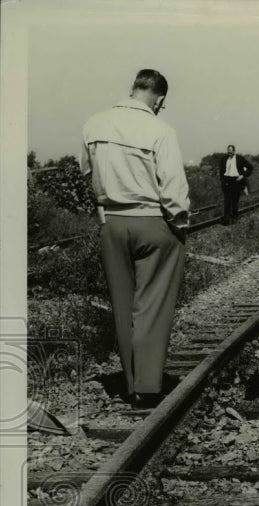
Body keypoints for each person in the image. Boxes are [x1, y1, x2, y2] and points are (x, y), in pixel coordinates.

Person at [81, 68, 190, 409]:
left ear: (134, 89)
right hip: (152, 220)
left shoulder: (94, 124)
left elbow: (87, 171)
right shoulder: (161, 130)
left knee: (123, 307)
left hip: (112, 223)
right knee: (152, 305)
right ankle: (147, 386)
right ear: (159, 99)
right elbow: (173, 188)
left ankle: (130, 384)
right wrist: (179, 225)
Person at [218, 145, 253, 223]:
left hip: (236, 181)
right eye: (228, 151)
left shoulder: (240, 159)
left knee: (234, 201)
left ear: (234, 151)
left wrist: (242, 176)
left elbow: (250, 167)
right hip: (226, 181)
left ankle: (234, 219)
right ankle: (227, 220)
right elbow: (221, 170)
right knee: (227, 201)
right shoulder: (224, 159)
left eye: (231, 151)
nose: (229, 152)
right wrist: (222, 179)